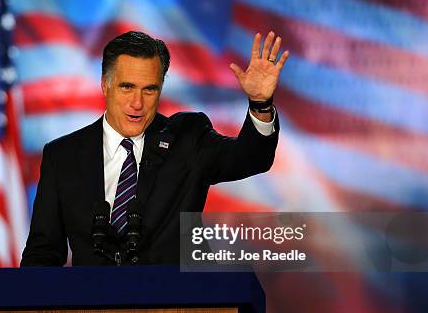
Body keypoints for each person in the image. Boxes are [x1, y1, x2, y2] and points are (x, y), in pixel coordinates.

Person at [20, 30, 289, 266]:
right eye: (127, 87)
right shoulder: (63, 156)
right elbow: (42, 254)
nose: (137, 103)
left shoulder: (188, 139)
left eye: (149, 90)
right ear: (105, 84)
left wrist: (260, 104)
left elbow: (251, 157)